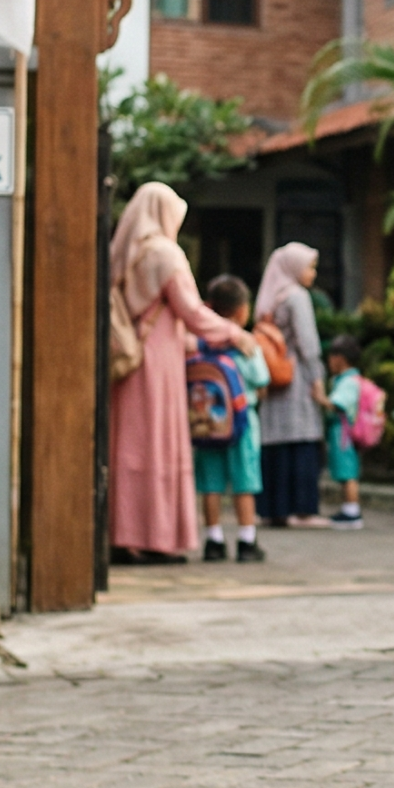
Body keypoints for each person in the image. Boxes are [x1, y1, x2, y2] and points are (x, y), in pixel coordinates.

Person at [108, 182, 255, 565]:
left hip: (128, 359)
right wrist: (234, 333)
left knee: (126, 447)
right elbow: (192, 312)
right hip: (158, 365)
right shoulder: (166, 255)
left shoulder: (123, 251)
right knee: (159, 447)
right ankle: (155, 538)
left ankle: (121, 535)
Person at [193, 274, 269, 562]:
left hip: (206, 424)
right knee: (244, 481)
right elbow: (261, 378)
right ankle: (246, 540)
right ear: (242, 311)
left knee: (210, 483)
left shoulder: (201, 342)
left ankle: (213, 540)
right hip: (241, 422)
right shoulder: (243, 343)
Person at [257, 243, 330, 529]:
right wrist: (317, 379)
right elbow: (308, 343)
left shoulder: (270, 297)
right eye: (309, 267)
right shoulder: (297, 297)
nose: (312, 273)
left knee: (275, 445)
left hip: (273, 376)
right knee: (301, 441)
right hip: (296, 378)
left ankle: (274, 509)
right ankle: (302, 511)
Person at [320, 334, 367, 529]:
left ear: (340, 358)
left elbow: (337, 405)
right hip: (343, 433)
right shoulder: (347, 379)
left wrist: (319, 397)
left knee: (347, 472)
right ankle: (348, 509)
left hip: (344, 433)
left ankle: (352, 512)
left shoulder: (349, 382)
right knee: (344, 471)